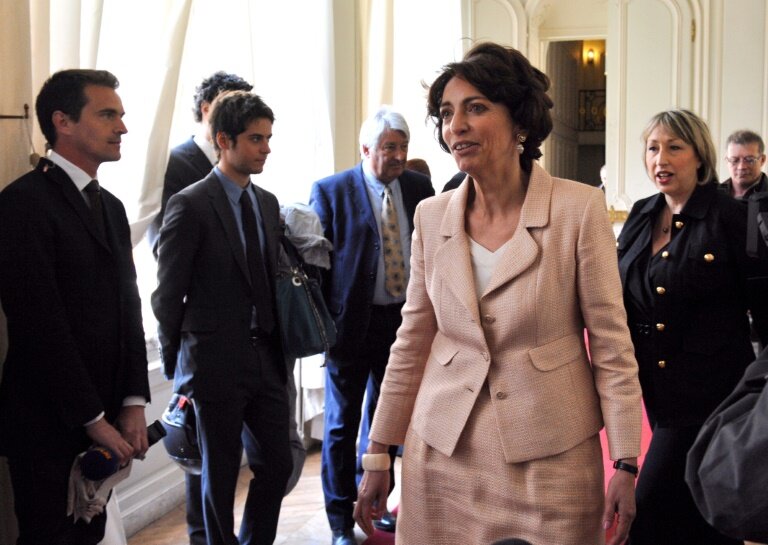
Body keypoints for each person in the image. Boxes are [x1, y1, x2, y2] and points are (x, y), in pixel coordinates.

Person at [354, 42, 642, 545]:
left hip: (551, 457)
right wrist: (379, 451)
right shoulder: (432, 216)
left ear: (520, 123)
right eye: (446, 113)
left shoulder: (578, 210)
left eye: (476, 108)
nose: (455, 126)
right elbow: (412, 341)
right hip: (443, 453)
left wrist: (625, 460)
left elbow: (613, 348)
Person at [150, 71, 304, 545]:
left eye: (269, 138)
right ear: (223, 140)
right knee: (216, 480)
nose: (266, 149)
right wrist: (183, 363)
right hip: (213, 364)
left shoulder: (266, 202)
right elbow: (165, 296)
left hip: (266, 360)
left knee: (278, 464)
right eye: (256, 139)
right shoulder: (189, 204)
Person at [0, 69, 150, 545]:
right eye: (107, 115)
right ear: (62, 121)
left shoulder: (112, 207)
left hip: (106, 415)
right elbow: (39, 326)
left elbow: (129, 307)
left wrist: (131, 403)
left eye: (121, 116)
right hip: (48, 422)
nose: (122, 127)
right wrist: (94, 420)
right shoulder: (21, 205)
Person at [616, 109, 768, 545]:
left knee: (648, 519)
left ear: (699, 157)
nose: (660, 158)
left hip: (714, 400)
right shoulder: (643, 214)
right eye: (652, 148)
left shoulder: (731, 216)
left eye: (674, 147)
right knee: (699, 518)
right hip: (657, 397)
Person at [309, 106, 434, 545]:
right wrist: (325, 330)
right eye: (389, 148)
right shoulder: (331, 191)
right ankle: (341, 520)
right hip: (350, 328)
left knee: (391, 423)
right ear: (366, 149)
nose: (398, 156)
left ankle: (379, 508)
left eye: (402, 147)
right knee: (342, 426)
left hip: (404, 325)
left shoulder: (419, 188)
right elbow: (318, 269)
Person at [147, 71, 253, 254]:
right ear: (206, 109)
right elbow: (163, 243)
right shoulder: (171, 164)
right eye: (232, 110)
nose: (240, 121)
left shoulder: (242, 162)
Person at [719, 130, 767, 200]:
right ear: (727, 161)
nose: (741, 167)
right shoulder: (714, 196)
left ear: (762, 160)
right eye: (734, 160)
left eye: (749, 160)